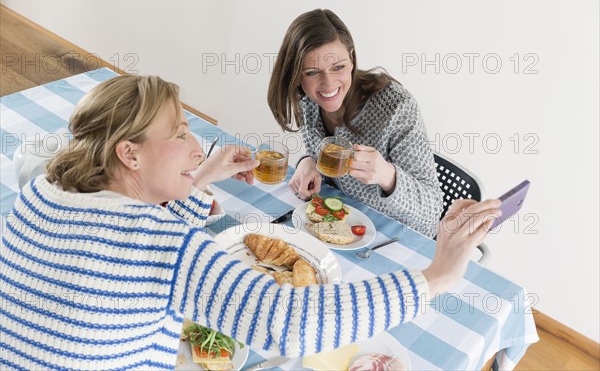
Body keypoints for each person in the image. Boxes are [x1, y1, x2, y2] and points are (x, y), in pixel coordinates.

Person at [0, 74, 501, 369]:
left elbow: (132, 232)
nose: (197, 147)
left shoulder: (44, 189)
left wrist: (197, 180)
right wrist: (438, 277)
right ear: (129, 153)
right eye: (178, 134)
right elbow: (288, 323)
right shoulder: (163, 248)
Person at [268, 9, 443, 237]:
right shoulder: (308, 101)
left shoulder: (396, 107)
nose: (328, 84)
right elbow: (327, 168)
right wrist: (308, 162)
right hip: (343, 228)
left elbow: (431, 211)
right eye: (312, 72)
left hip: (397, 240)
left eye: (338, 67)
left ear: (351, 59)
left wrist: (387, 176)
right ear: (296, 75)